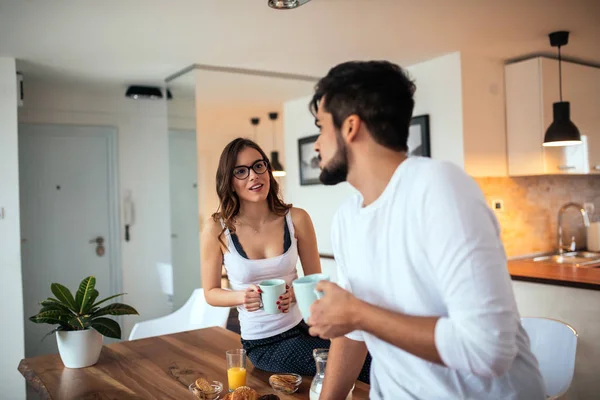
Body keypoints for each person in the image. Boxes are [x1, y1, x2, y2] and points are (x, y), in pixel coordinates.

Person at [305, 61, 545, 399]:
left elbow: (487, 349)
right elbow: (353, 333)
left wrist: (356, 313)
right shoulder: (346, 217)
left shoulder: (438, 187)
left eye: (321, 127)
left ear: (350, 127)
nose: (316, 144)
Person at [200, 137, 371, 382]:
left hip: (305, 328)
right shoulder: (216, 228)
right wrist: (242, 297)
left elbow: (314, 282)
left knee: (368, 354)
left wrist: (297, 294)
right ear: (229, 180)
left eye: (259, 166)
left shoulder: (297, 219)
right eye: (241, 171)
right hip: (264, 343)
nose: (253, 176)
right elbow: (210, 292)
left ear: (268, 170)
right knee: (352, 366)